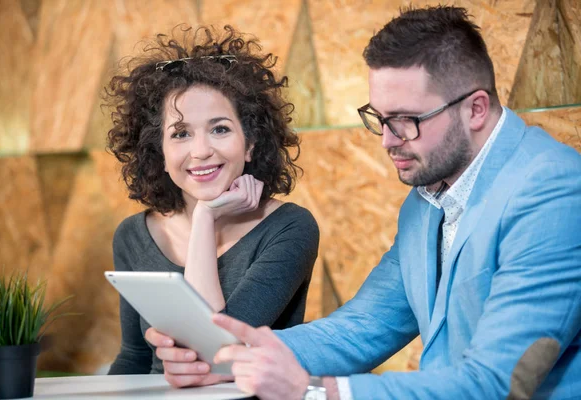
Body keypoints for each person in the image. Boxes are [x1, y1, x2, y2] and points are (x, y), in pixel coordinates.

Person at [147, 6, 581, 399]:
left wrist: (317, 392)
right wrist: (225, 358)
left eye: (406, 121)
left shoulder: (553, 193)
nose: (388, 141)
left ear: (476, 109)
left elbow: (497, 381)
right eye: (380, 118)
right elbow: (362, 328)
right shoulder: (425, 201)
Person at [104, 25, 320, 376]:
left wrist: (205, 217)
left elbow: (217, 351)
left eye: (220, 128)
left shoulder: (290, 227)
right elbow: (134, 357)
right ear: (158, 151)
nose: (201, 151)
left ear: (250, 144)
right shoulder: (132, 235)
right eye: (181, 134)